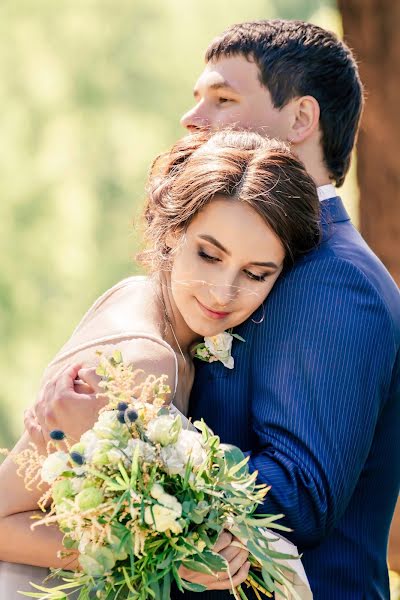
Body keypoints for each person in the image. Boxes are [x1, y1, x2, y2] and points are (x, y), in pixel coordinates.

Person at [0, 130, 319, 598]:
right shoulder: (143, 363)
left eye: (255, 274)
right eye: (208, 256)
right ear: (172, 230)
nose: (222, 293)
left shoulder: (147, 301)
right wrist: (172, 551)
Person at [179, 19, 400, 600]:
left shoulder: (336, 279)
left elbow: (300, 493)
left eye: (223, 99)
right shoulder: (256, 250)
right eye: (196, 98)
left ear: (301, 120)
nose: (192, 118)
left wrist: (142, 459)